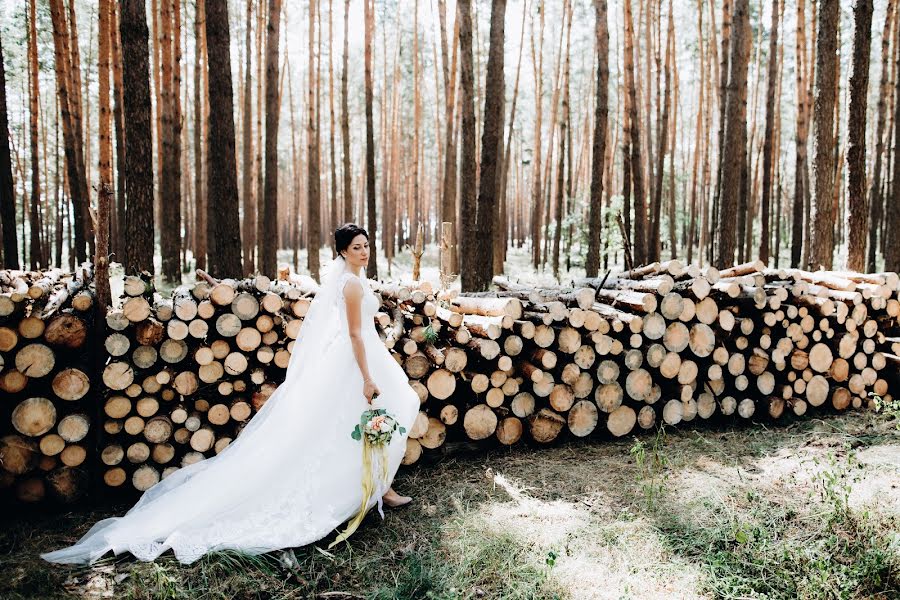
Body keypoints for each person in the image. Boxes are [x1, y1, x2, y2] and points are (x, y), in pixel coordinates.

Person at [41, 224, 418, 565]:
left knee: (359, 422)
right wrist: (367, 376)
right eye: (356, 247)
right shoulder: (350, 284)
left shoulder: (354, 280)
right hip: (355, 361)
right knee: (356, 421)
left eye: (367, 245)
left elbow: (356, 324)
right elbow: (353, 333)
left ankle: (380, 487)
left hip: (359, 354)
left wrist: (375, 323)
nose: (364, 251)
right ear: (341, 252)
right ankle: (369, 489)